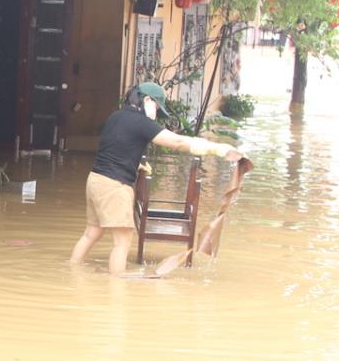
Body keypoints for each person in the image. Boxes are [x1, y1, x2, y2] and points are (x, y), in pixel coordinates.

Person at [69, 81, 241, 274]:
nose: (156, 113)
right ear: (147, 100)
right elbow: (177, 142)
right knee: (122, 242)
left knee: (91, 233)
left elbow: (117, 146)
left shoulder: (116, 116)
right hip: (114, 186)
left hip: (96, 180)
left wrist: (136, 165)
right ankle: (116, 285)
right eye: (157, 108)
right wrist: (218, 149)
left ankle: (72, 270)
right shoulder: (141, 122)